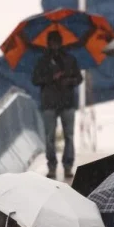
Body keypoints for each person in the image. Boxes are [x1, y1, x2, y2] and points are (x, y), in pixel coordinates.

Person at [32, 31, 83, 180]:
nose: (54, 45)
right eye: (52, 42)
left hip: (65, 102)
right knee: (50, 137)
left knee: (68, 136)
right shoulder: (43, 61)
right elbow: (35, 79)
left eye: (56, 42)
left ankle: (67, 166)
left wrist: (68, 81)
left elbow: (78, 78)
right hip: (50, 103)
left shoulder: (69, 59)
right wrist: (51, 78)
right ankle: (52, 166)